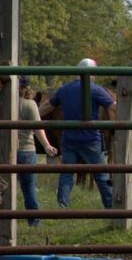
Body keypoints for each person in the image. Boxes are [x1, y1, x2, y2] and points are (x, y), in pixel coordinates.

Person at [39, 58, 117, 209]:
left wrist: (32, 115)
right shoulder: (96, 90)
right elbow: (113, 107)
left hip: (68, 139)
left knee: (67, 173)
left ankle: (63, 205)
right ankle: (110, 206)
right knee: (101, 174)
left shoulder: (65, 89)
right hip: (90, 139)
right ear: (93, 73)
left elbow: (48, 106)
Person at [17, 77, 57, 226]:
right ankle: (34, 221)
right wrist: (47, 145)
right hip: (26, 151)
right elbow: (38, 128)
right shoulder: (30, 104)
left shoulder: (4, 103)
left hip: (5, 151)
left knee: (3, 186)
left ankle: (2, 217)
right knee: (28, 188)